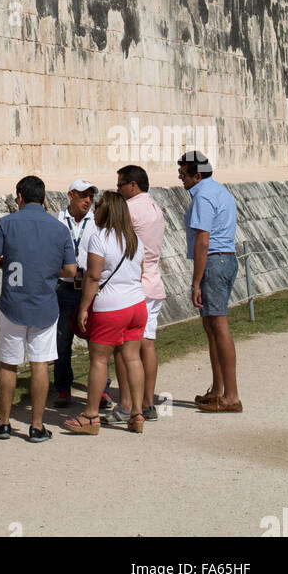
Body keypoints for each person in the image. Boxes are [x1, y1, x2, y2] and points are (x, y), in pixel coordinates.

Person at [0, 175, 77, 442]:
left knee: (9, 364)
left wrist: (8, 263)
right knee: (40, 365)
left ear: (20, 197)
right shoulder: (59, 229)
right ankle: (37, 426)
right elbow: (71, 270)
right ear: (43, 197)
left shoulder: (6, 223)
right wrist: (48, 270)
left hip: (12, 304)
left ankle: (3, 423)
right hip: (44, 306)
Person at [63, 191, 147, 434]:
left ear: (106, 210)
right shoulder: (135, 239)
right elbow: (138, 272)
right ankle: (137, 413)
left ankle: (90, 415)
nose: (94, 209)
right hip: (136, 304)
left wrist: (83, 307)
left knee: (99, 359)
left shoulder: (100, 237)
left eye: (98, 206)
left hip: (111, 306)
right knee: (133, 358)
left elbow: (93, 276)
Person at [178, 150, 242, 413]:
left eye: (184, 174)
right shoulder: (218, 191)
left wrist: (195, 284)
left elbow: (203, 241)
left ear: (197, 175)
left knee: (219, 325)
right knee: (212, 327)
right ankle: (218, 390)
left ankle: (231, 396)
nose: (180, 179)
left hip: (214, 261)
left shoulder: (203, 196)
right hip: (224, 259)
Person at [113, 165, 166, 422]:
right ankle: (147, 402)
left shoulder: (129, 209)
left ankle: (126, 403)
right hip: (154, 283)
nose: (118, 189)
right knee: (148, 344)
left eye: (120, 184)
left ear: (132, 185)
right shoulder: (156, 209)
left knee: (125, 347)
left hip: (135, 285)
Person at [53, 179, 103, 408]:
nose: (88, 200)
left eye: (91, 196)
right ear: (70, 195)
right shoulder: (56, 219)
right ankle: (63, 389)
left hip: (90, 288)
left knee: (97, 340)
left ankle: (101, 389)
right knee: (62, 340)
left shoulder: (97, 221)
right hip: (64, 287)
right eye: (84, 195)